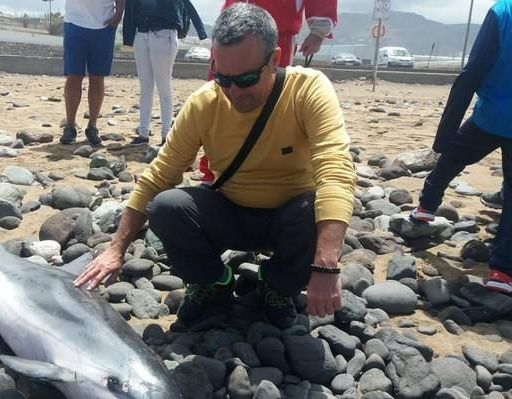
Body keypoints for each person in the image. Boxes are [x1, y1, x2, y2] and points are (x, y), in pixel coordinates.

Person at [75, 3, 356, 329]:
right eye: (224, 78)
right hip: (230, 213)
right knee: (167, 206)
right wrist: (115, 249)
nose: (234, 92)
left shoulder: (307, 90)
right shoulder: (205, 102)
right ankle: (214, 281)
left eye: (247, 78)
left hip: (289, 221)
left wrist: (325, 266)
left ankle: (276, 285)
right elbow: (157, 177)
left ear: (275, 59)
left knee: (313, 209)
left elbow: (335, 169)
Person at [410, 0, 512, 295]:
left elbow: (472, 73)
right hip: (493, 117)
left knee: (453, 156)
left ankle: (426, 207)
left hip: (491, 117)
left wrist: (444, 136)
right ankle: (503, 271)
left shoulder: (503, 12)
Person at [198, 0, 337, 183]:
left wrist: (318, 31)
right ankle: (213, 171)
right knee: (220, 100)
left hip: (277, 33)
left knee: (271, 104)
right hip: (229, 32)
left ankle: (266, 171)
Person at [123, 0, 208, 146]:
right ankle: (143, 133)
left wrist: (201, 31)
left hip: (164, 34)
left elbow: (187, 5)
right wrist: (128, 38)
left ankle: (166, 135)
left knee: (163, 87)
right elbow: (130, 7)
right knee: (146, 87)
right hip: (142, 35)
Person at [59, 0, 125, 146]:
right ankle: (70, 126)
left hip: (104, 26)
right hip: (74, 23)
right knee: (74, 76)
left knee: (97, 77)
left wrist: (119, 13)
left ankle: (92, 126)